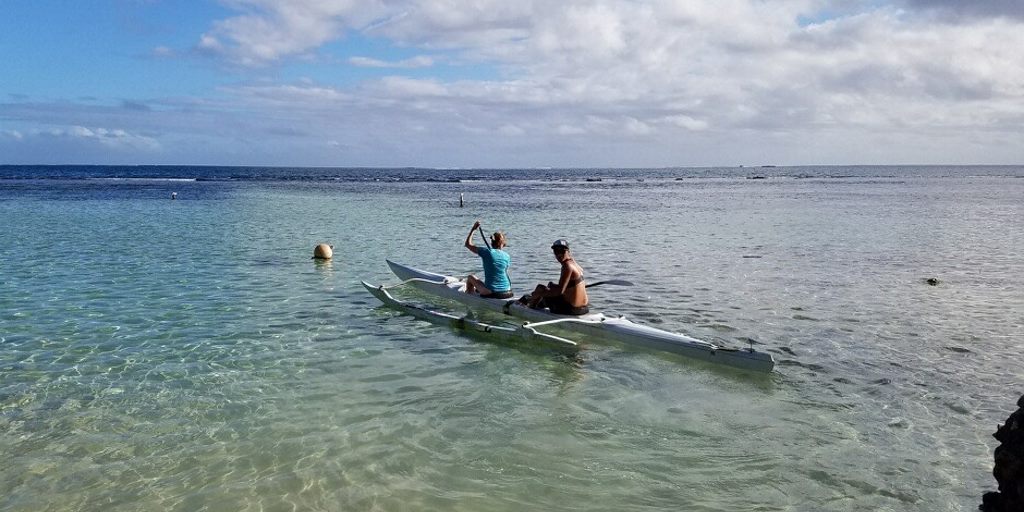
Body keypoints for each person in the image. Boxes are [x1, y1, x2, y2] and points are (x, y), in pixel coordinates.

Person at [526, 239, 589, 315]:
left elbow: (560, 291)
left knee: (540, 288)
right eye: (556, 251)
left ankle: (528, 308)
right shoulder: (575, 264)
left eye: (562, 251)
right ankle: (537, 302)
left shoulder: (567, 266)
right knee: (550, 286)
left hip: (572, 310)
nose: (559, 254)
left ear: (568, 251)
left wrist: (539, 293)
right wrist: (551, 287)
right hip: (584, 308)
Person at [464, 220, 513, 299]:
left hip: (491, 292)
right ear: (503, 244)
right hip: (508, 290)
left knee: (470, 277)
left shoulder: (486, 252)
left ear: (491, 243)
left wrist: (473, 229)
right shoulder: (507, 256)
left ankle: (469, 297)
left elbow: (467, 244)